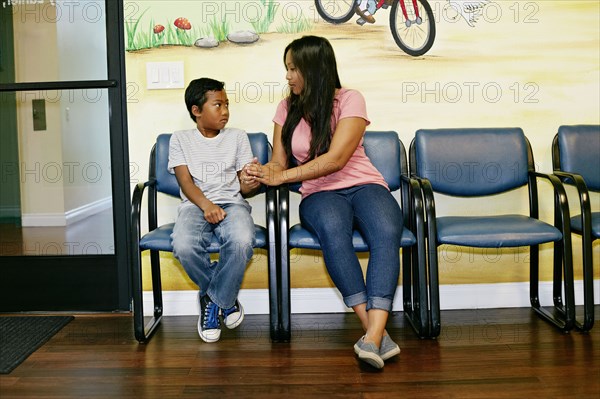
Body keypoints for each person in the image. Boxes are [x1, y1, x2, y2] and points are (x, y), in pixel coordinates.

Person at [246, 36, 403, 369]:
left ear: (313, 69)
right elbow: (279, 162)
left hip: (364, 184)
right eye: (286, 69)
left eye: (293, 69)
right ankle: (375, 334)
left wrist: (281, 177)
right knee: (334, 232)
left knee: (387, 233)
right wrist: (260, 173)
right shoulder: (285, 108)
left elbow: (337, 158)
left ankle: (373, 337)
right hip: (319, 193)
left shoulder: (350, 99)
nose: (288, 77)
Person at [168, 77, 261, 343]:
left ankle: (211, 299)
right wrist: (206, 205)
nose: (225, 111)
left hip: (232, 203)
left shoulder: (238, 137)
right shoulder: (180, 139)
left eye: (227, 104)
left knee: (243, 241)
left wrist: (250, 181)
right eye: (218, 105)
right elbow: (185, 182)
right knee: (184, 245)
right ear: (196, 111)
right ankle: (226, 299)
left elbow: (245, 188)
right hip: (195, 205)